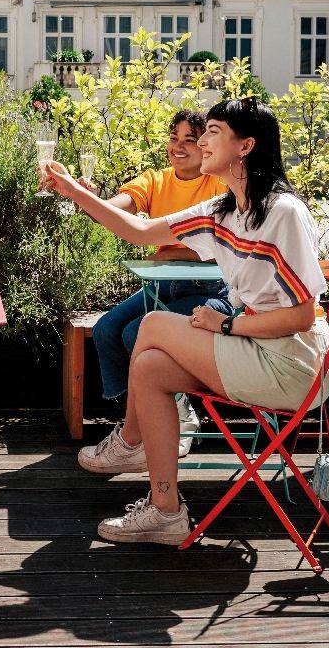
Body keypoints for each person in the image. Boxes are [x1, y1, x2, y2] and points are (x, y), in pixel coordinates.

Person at [41, 97, 328, 546]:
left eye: (213, 131)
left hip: (293, 364)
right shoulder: (224, 211)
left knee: (153, 325)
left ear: (246, 145)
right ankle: (165, 511)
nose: (203, 141)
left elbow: (301, 315)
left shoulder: (282, 212)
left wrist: (227, 326)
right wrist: (75, 192)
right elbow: (139, 231)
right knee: (150, 367)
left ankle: (130, 442)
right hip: (256, 350)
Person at [89, 109, 235, 455]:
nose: (178, 147)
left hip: (213, 291)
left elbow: (221, 251)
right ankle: (139, 418)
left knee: (134, 332)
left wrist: (173, 252)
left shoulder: (219, 184)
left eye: (190, 140)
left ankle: (179, 412)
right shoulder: (156, 180)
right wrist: (91, 200)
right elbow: (117, 209)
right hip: (163, 285)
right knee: (105, 330)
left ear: (206, 145)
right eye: (174, 138)